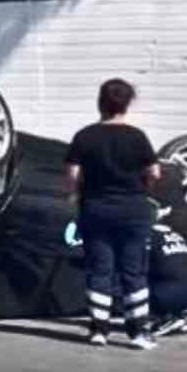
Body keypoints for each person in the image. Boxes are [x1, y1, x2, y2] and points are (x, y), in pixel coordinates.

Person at [65, 78, 162, 350]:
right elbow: (155, 172)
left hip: (96, 210)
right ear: (127, 104)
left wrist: (77, 195)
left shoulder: (84, 137)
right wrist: (142, 187)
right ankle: (138, 332)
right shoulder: (137, 137)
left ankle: (98, 330)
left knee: (99, 270)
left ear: (100, 103)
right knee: (133, 271)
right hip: (133, 211)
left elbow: (72, 176)